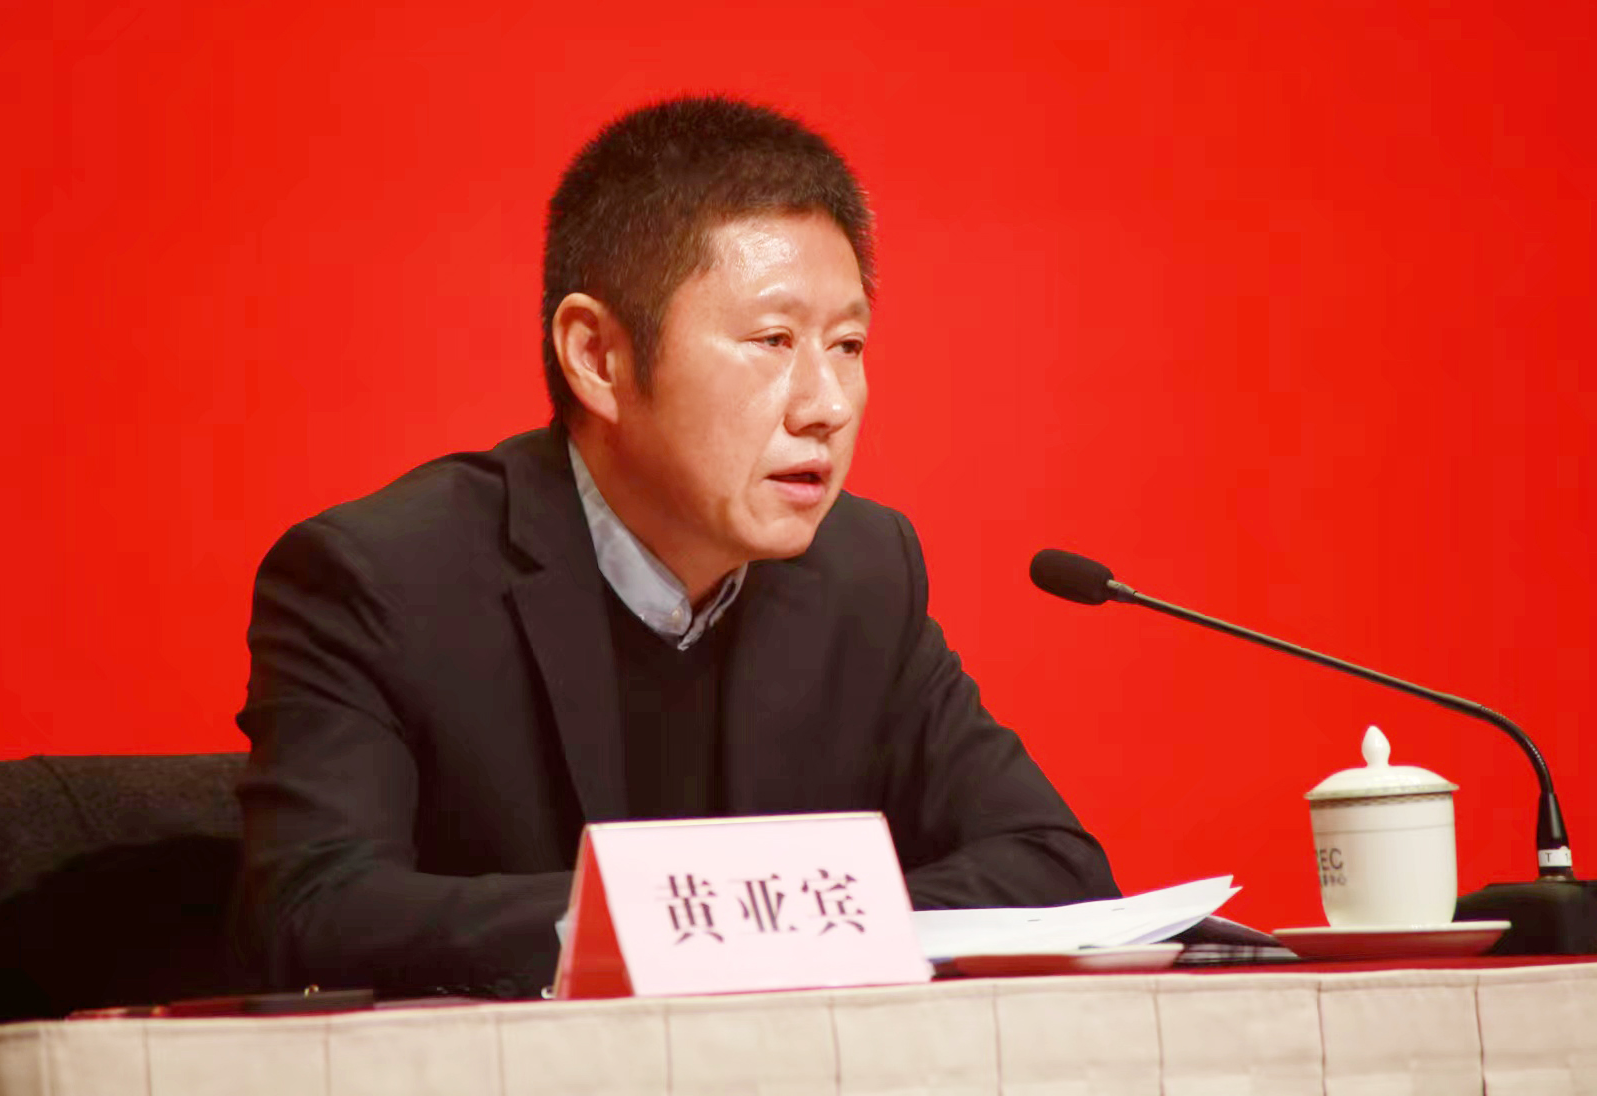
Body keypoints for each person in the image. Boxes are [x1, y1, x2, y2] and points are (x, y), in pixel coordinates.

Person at [235, 97, 1118, 999]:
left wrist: (769, 920)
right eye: (773, 341)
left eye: (848, 344)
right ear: (598, 357)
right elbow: (314, 915)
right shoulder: (384, 579)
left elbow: (1054, 869)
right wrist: (699, 917)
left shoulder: (862, 571)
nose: (828, 404)